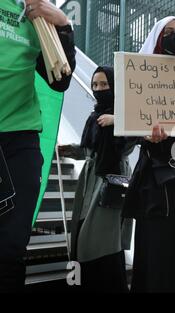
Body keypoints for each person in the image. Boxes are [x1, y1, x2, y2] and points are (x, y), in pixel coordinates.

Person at [122, 16, 175, 293]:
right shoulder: (141, 80)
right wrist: (142, 133)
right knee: (158, 256)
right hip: (157, 190)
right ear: (157, 38)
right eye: (169, 32)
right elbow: (127, 132)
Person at [0, 0, 75, 291]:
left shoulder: (33, 13)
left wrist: (64, 27)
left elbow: (60, 80)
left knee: (10, 245)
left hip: (19, 139)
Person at [60, 66, 134, 292]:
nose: (99, 89)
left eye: (104, 84)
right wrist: (69, 150)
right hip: (89, 182)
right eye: (95, 85)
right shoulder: (94, 117)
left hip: (112, 181)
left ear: (114, 87)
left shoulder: (125, 115)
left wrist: (117, 120)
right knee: (83, 237)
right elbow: (88, 150)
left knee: (103, 241)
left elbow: (135, 139)